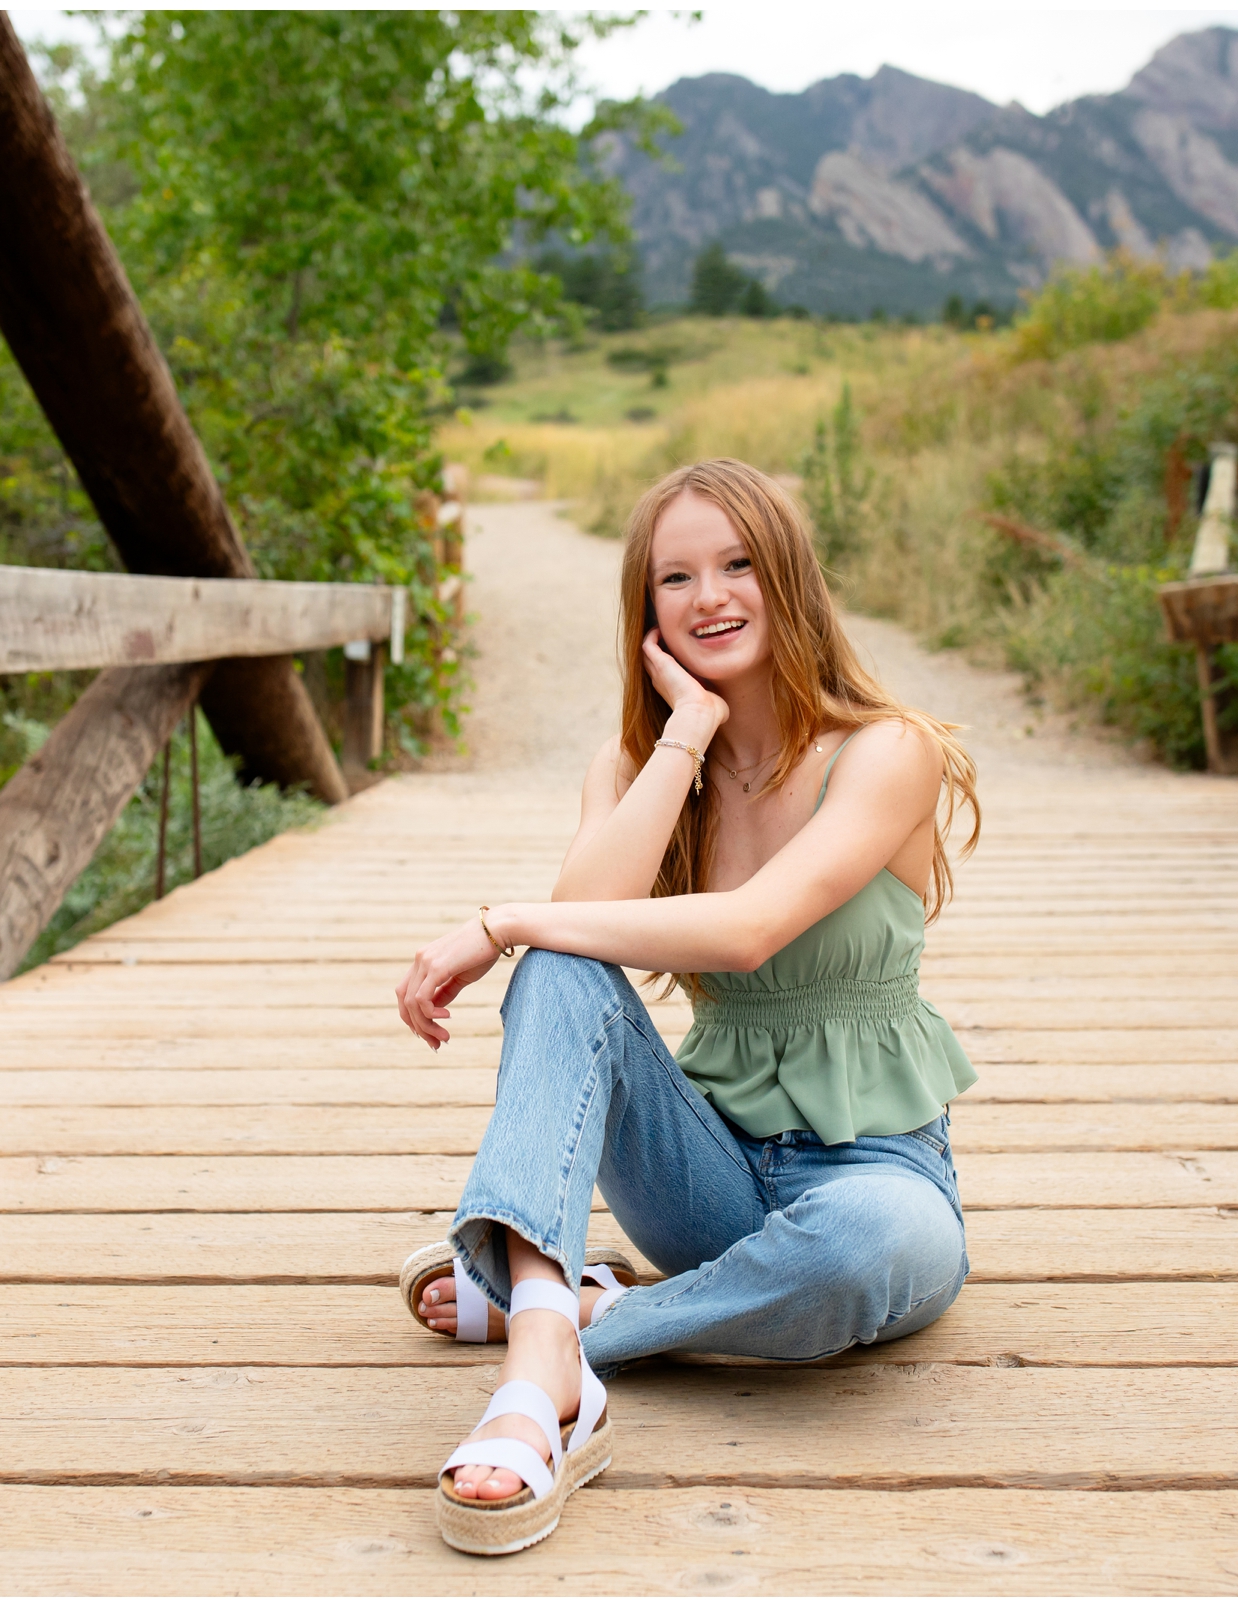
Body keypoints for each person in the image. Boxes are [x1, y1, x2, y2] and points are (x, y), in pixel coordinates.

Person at [391, 457, 981, 1556]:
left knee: (871, 1243)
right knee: (563, 966)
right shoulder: (643, 759)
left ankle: (562, 1313)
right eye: (676, 577)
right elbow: (580, 921)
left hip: (874, 1172)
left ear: (788, 578)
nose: (710, 595)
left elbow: (752, 924)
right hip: (704, 1173)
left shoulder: (888, 749)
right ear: (647, 608)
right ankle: (543, 1375)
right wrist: (684, 735)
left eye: (738, 563)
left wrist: (493, 919)